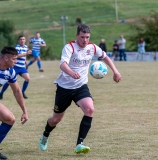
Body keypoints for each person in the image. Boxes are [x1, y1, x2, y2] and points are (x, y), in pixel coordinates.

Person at [39, 24, 122, 155]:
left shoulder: (92, 47)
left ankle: (79, 143)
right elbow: (62, 64)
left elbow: (105, 56)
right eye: (82, 37)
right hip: (64, 88)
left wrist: (115, 71)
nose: (85, 40)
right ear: (77, 36)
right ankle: (45, 134)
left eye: (87, 37)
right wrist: (71, 72)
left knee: (90, 109)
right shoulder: (70, 47)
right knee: (56, 119)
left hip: (81, 86)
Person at [0, 46, 28, 159]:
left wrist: (24, 111)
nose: (16, 61)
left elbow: (17, 91)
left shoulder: (10, 72)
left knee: (10, 119)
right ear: (6, 58)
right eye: (14, 59)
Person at [0, 35, 32, 99]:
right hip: (16, 66)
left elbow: (24, 57)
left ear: (25, 40)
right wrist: (26, 54)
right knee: (8, 81)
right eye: (21, 39)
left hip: (22, 67)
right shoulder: (17, 48)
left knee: (27, 79)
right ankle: (1, 93)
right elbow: (16, 56)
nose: (22, 41)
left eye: (23, 39)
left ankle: (22, 93)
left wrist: (25, 62)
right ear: (18, 41)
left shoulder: (26, 47)